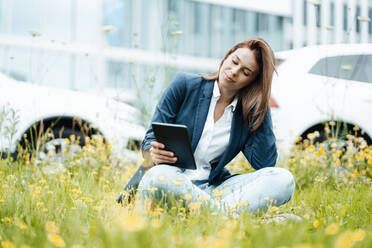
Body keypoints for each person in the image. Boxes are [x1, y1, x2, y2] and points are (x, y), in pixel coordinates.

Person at [118, 38, 295, 215]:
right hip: (169, 180)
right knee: (159, 176)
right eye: (234, 62)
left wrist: (261, 101)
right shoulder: (184, 85)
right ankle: (226, 218)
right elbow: (150, 139)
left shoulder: (246, 113)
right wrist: (153, 153)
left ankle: (209, 215)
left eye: (245, 72)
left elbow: (264, 163)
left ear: (252, 82)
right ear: (227, 56)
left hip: (211, 190)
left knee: (283, 179)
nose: (233, 72)